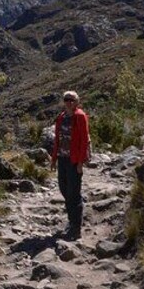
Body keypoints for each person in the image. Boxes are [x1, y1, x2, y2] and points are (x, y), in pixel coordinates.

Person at [50, 91, 91, 240]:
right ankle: (71, 220)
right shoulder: (62, 117)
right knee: (64, 189)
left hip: (74, 160)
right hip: (62, 158)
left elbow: (84, 140)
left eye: (72, 100)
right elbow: (58, 139)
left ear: (77, 101)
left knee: (74, 193)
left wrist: (80, 162)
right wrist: (54, 159)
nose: (69, 102)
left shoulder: (80, 116)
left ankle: (76, 227)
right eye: (66, 100)